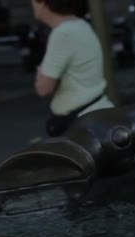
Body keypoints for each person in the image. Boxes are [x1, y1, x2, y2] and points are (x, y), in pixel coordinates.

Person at [31, 0, 114, 137]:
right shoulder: (80, 25)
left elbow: (43, 88)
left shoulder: (63, 33)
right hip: (96, 114)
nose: (32, 4)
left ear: (44, 3)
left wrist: (41, 73)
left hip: (80, 125)